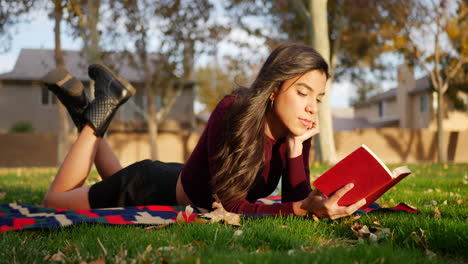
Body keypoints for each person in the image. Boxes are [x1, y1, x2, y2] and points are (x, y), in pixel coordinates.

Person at [41, 43, 366, 219]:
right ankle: (99, 111)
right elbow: (229, 205)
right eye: (303, 92)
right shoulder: (234, 111)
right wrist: (299, 208)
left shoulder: (294, 131)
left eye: (319, 98)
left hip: (164, 180)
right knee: (54, 201)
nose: (313, 107)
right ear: (273, 89)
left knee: (114, 179)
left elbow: (299, 202)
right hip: (151, 188)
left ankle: (86, 111)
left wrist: (297, 149)